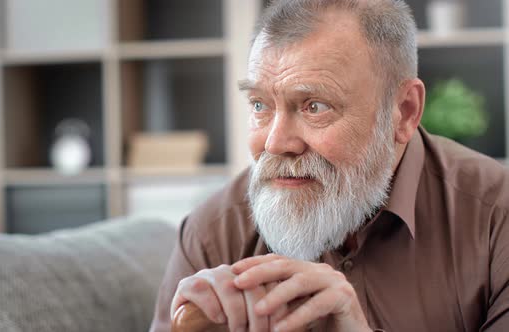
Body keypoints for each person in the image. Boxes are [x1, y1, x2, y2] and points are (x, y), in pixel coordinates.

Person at [150, 0, 509, 331]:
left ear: (404, 112)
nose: (275, 143)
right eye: (260, 105)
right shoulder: (212, 234)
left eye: (314, 106)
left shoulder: (497, 220)